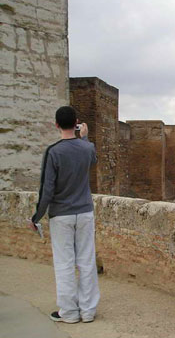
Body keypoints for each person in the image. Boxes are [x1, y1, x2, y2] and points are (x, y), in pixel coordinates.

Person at [28, 106, 100, 324]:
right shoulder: (87, 148)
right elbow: (93, 160)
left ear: (56, 124)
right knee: (86, 260)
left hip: (61, 215)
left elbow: (46, 189)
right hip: (85, 212)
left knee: (65, 263)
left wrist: (36, 217)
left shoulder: (53, 151)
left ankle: (68, 312)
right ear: (76, 122)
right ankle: (88, 311)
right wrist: (85, 138)